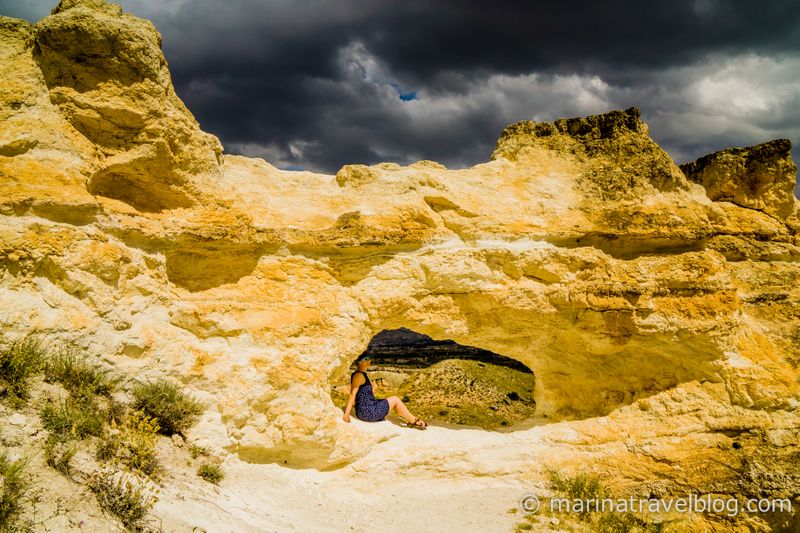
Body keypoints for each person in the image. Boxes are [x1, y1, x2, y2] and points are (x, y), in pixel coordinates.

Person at [342, 354, 427, 429]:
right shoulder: (359, 376)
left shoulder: (360, 373)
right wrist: (346, 415)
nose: (368, 361)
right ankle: (414, 421)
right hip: (368, 412)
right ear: (358, 362)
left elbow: (360, 394)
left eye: (369, 358)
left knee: (391, 401)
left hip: (367, 408)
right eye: (365, 359)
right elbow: (352, 394)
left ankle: (411, 419)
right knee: (395, 399)